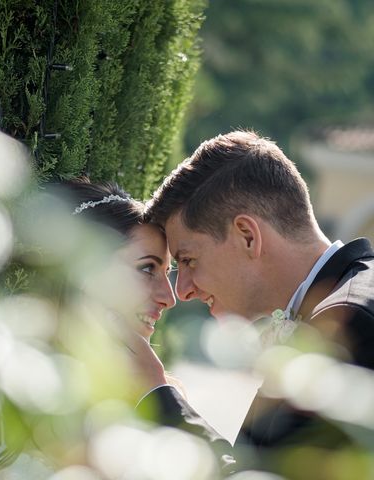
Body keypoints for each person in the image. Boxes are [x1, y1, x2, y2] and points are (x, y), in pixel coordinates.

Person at [134, 130, 374, 473]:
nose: (182, 291)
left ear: (248, 235)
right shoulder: (340, 304)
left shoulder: (351, 324)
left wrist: (156, 394)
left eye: (187, 260)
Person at [0, 178, 177, 478]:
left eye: (167, 272)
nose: (169, 297)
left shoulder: (160, 395)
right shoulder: (5, 376)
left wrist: (156, 387)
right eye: (147, 268)